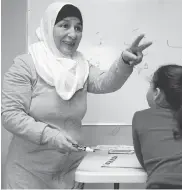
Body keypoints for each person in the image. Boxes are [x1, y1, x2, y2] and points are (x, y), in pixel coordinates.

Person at [1, 2, 152, 189]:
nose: (73, 34)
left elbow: (105, 82)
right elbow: (10, 115)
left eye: (78, 28)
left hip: (69, 171)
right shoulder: (26, 65)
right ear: (49, 27)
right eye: (64, 25)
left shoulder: (80, 65)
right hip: (28, 174)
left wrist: (124, 61)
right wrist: (51, 136)